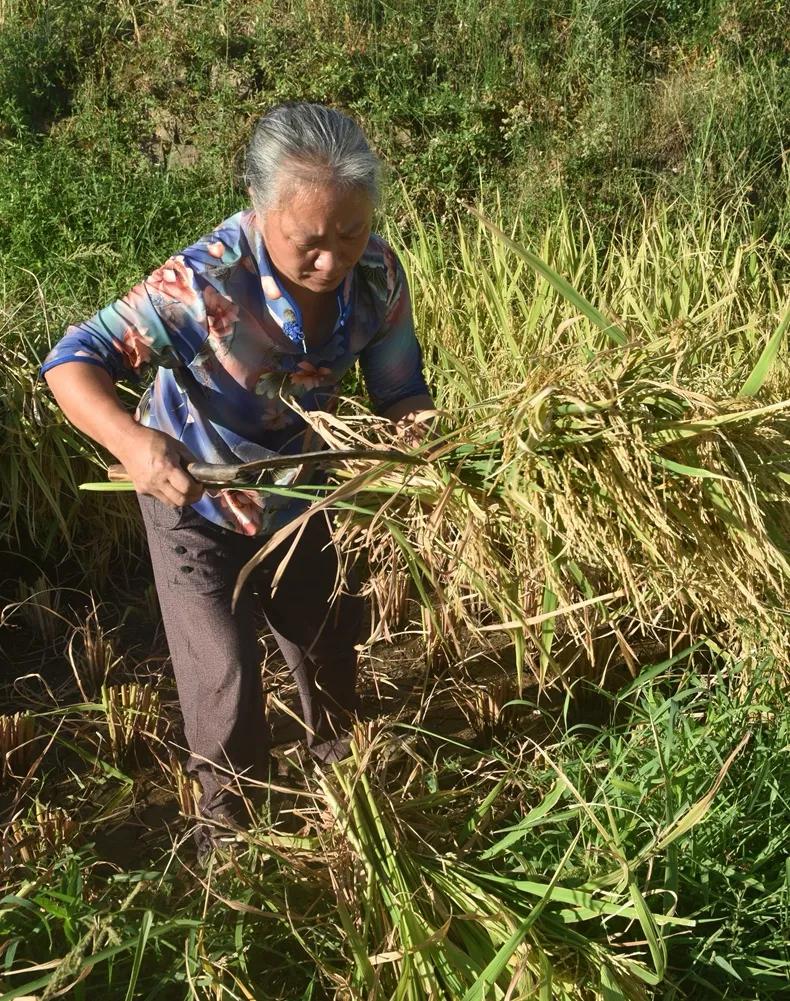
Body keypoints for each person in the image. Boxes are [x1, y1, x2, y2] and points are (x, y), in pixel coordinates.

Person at [42, 102, 434, 853]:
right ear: (261, 212)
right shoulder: (205, 283)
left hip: (304, 488)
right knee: (224, 679)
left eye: (350, 232)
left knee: (325, 646)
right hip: (194, 496)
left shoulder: (378, 275)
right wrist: (131, 441)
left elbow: (400, 390)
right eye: (308, 242)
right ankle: (232, 851)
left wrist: (419, 432)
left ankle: (348, 802)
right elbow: (73, 358)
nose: (333, 258)